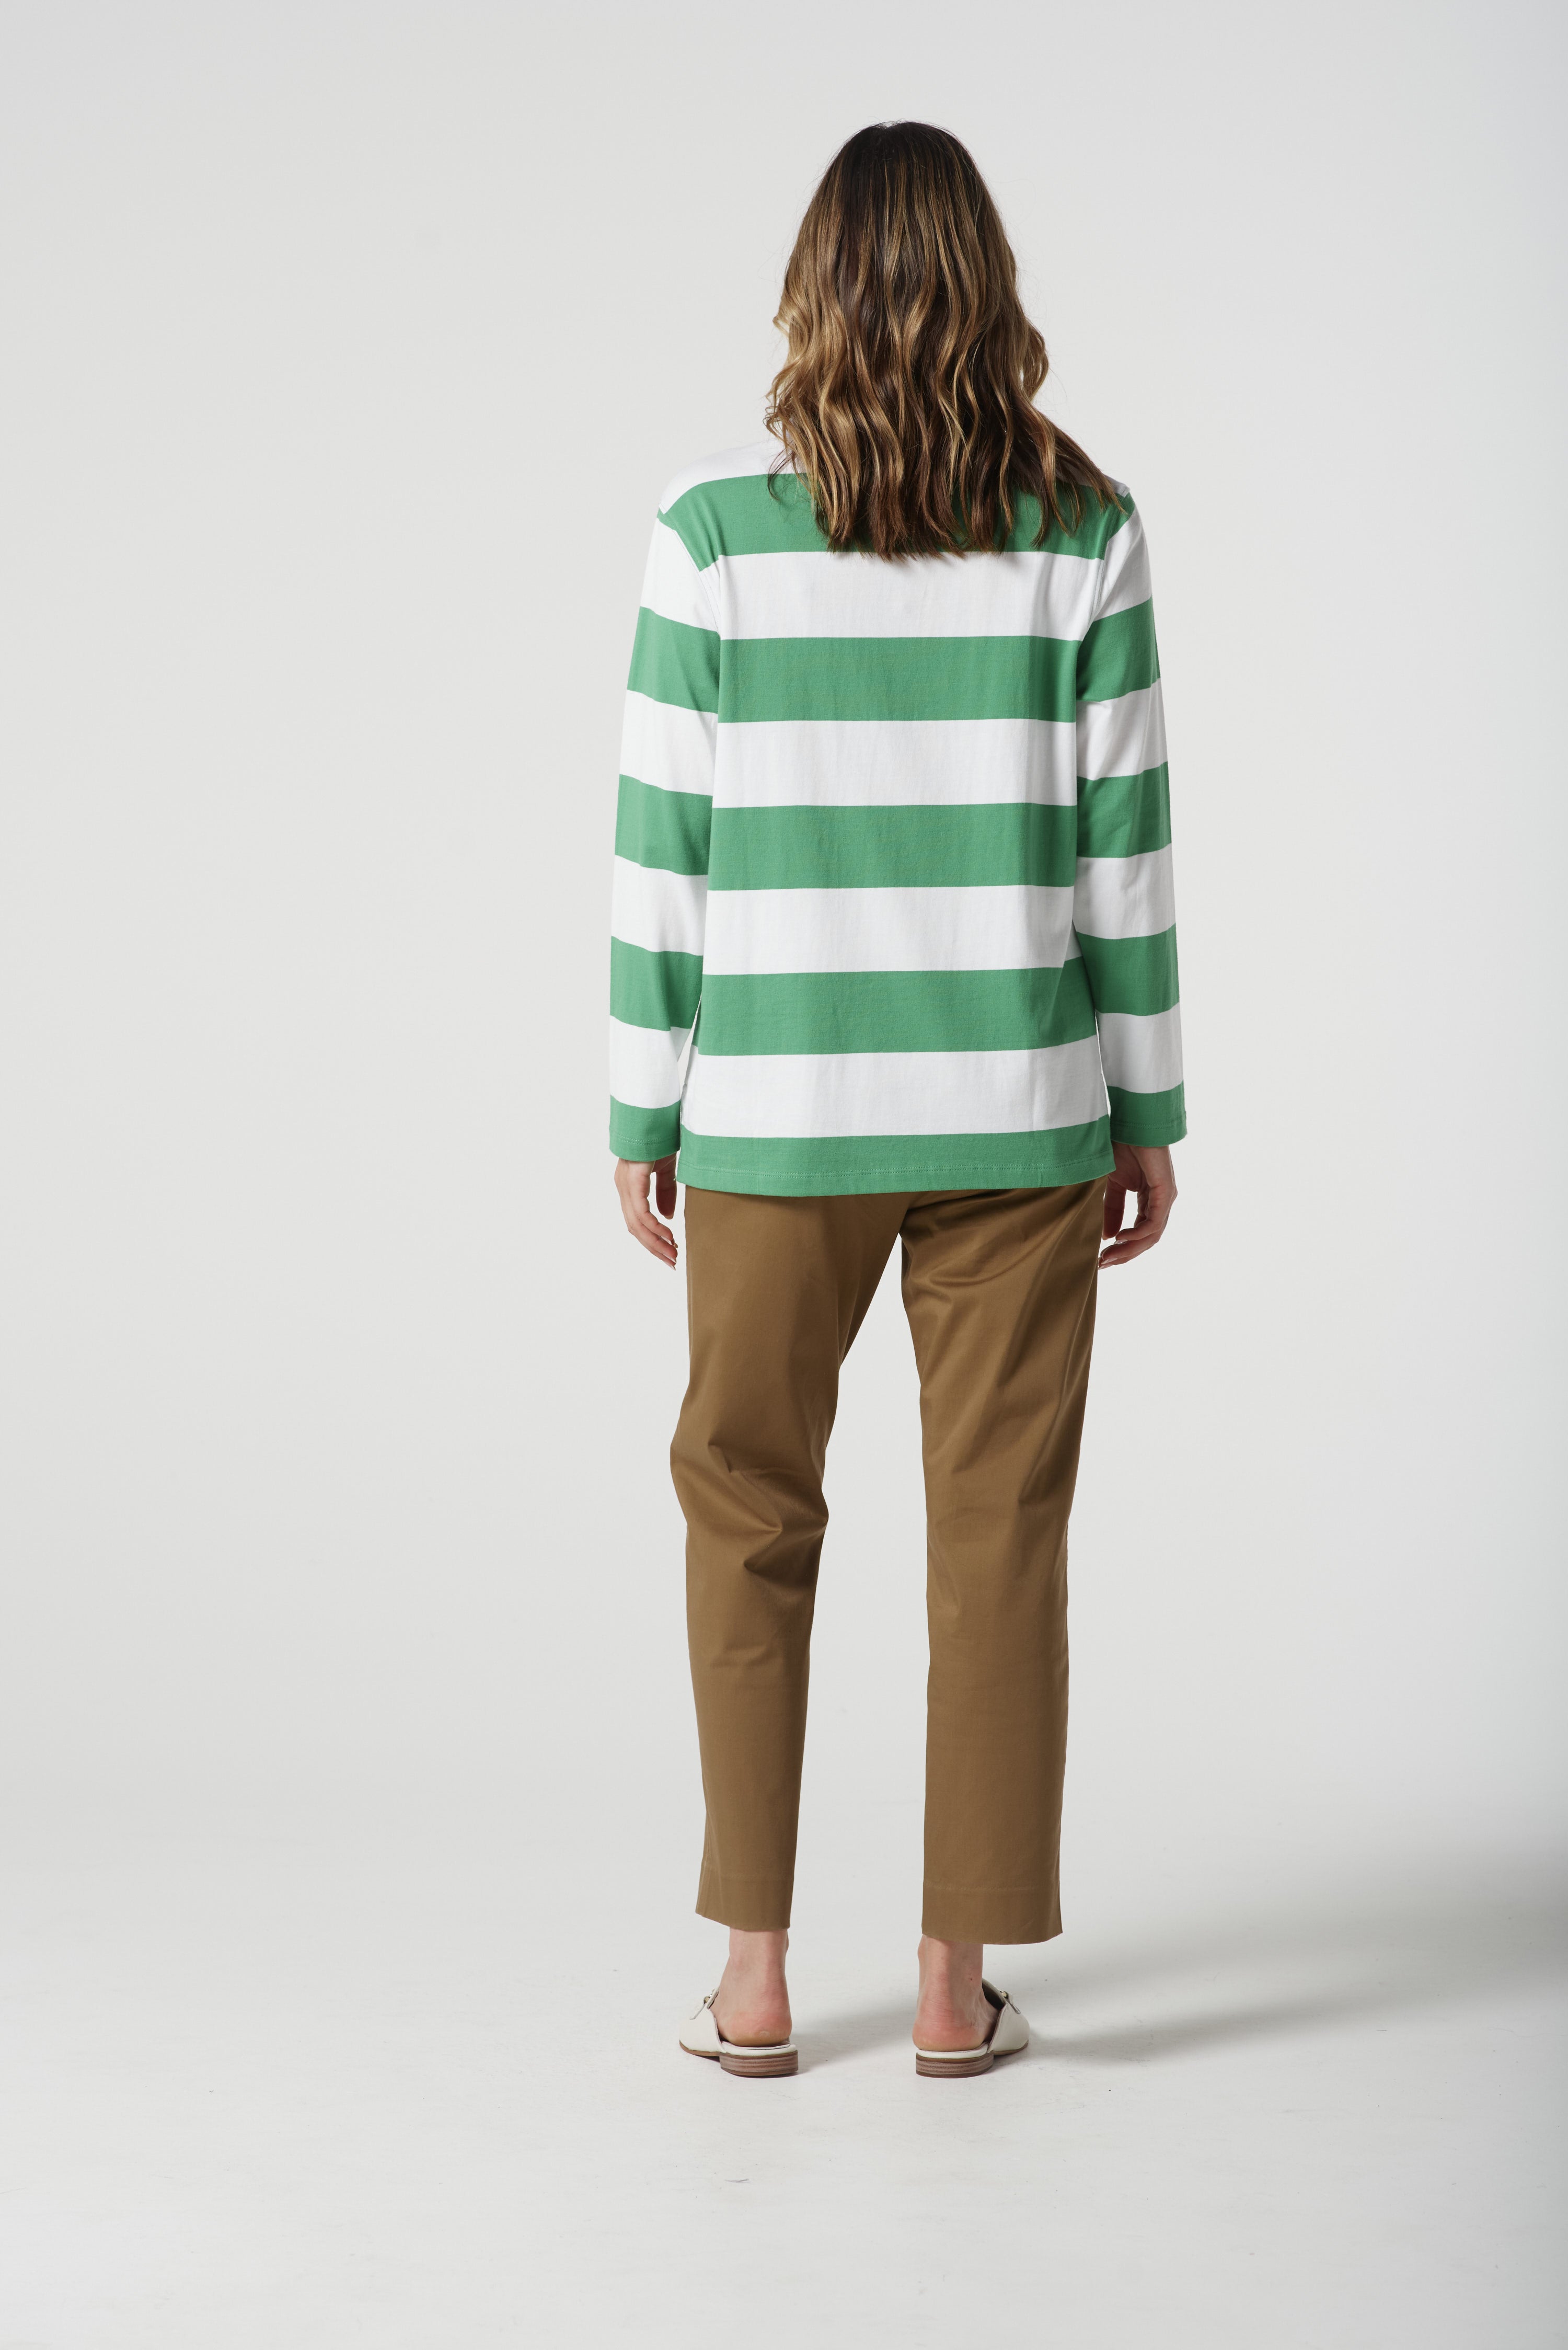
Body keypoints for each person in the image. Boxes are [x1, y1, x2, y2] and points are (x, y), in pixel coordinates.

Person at [609, 121, 1182, 2079]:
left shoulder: (713, 529)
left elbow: (662, 846)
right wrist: (1148, 1103)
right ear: (991, 292)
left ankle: (756, 1981)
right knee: (999, 1536)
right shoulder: (1085, 529)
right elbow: (1125, 853)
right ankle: (954, 1990)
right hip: (1020, 1111)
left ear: (815, 292)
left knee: (745, 1513)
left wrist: (641, 1104)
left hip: (773, 1117)